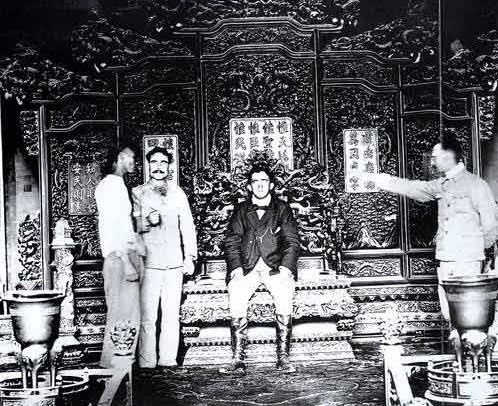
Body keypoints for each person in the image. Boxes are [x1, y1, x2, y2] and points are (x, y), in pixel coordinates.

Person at [368, 133, 498, 321]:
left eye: (435, 158)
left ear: (447, 157)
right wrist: (384, 181)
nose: (432, 163)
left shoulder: (476, 185)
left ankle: (465, 340)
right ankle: (456, 340)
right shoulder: (442, 184)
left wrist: (475, 250)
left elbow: (491, 225)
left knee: (468, 310)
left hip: (467, 260)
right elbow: (417, 189)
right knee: (449, 308)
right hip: (446, 257)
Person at [221, 165, 300, 375]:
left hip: (274, 266)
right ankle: (237, 359)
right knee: (236, 291)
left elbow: (292, 241)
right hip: (248, 267)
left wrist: (286, 268)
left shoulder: (282, 208)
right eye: (255, 181)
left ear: (271, 185)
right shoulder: (241, 210)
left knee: (284, 292)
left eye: (264, 181)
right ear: (249, 186)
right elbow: (232, 241)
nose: (260, 185)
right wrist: (236, 268)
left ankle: (283, 357)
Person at [132, 146, 197, 369]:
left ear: (170, 166)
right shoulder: (137, 193)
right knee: (148, 317)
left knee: (171, 315)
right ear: (148, 165)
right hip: (148, 264)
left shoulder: (178, 194)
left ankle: (168, 360)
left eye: (163, 162)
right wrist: (146, 221)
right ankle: (147, 362)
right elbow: (128, 227)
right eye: (154, 162)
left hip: (173, 263)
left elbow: (187, 226)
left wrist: (189, 257)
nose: (158, 167)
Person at [95, 145, 143, 368]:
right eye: (131, 157)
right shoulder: (111, 186)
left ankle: (119, 369)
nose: (134, 161)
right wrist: (127, 262)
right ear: (120, 157)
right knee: (122, 316)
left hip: (123, 256)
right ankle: (115, 369)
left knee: (126, 314)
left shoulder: (115, 184)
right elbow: (114, 228)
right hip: (120, 258)